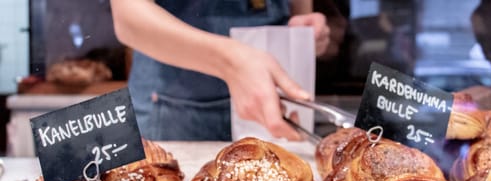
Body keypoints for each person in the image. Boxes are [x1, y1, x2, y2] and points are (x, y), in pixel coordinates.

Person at [110, 0, 330, 141]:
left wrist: (304, 34)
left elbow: (298, 11)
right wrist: (229, 63)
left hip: (273, 104)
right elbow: (128, 18)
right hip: (173, 110)